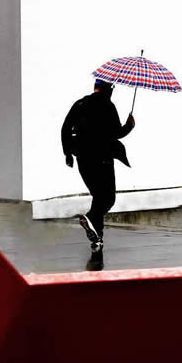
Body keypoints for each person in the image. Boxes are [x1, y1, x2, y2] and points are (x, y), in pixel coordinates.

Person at [61, 79, 135, 251]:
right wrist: (129, 125)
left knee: (98, 196)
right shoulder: (108, 105)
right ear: (107, 89)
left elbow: (65, 128)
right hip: (102, 158)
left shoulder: (80, 104)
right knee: (108, 198)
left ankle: (97, 237)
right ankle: (90, 218)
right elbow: (116, 133)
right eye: (112, 87)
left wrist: (68, 153)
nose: (113, 90)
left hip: (83, 159)